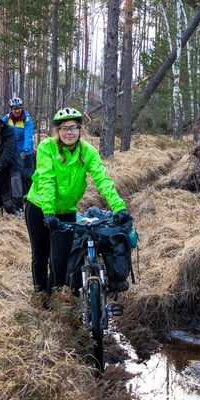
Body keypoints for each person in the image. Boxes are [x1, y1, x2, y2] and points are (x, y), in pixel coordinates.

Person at [24, 107, 130, 307]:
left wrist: (119, 208)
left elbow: (102, 179)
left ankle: (52, 301)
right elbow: (46, 180)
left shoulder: (87, 151)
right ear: (57, 131)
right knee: (40, 256)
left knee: (60, 262)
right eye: (64, 128)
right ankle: (40, 300)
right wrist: (48, 212)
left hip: (66, 212)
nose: (68, 132)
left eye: (73, 127)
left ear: (80, 129)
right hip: (39, 208)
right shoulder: (47, 147)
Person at [1, 97, 35, 195]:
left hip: (23, 150)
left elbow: (28, 136)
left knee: (27, 174)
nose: (17, 111)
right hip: (10, 149)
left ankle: (30, 195)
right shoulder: (7, 118)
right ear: (11, 109)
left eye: (19, 108)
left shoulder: (27, 120)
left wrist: (26, 150)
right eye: (15, 109)